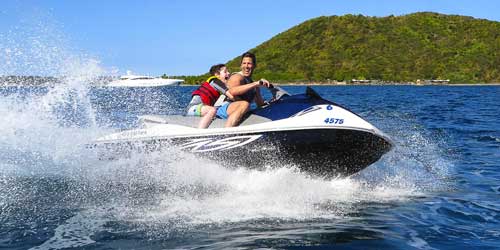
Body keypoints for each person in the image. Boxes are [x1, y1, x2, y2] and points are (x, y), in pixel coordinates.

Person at [216, 51, 271, 127]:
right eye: (244, 63)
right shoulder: (237, 77)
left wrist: (272, 103)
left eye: (249, 63)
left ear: (254, 65)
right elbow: (232, 91)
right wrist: (255, 84)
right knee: (244, 104)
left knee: (248, 107)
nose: (246, 66)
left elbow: (260, 105)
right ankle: (226, 133)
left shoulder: (254, 85)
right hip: (222, 109)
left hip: (237, 111)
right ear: (241, 65)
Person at [186, 64, 234, 128]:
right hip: (193, 108)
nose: (228, 73)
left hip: (202, 109)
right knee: (212, 110)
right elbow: (231, 96)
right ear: (217, 75)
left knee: (217, 108)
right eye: (225, 72)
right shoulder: (215, 81)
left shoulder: (218, 87)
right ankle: (200, 133)